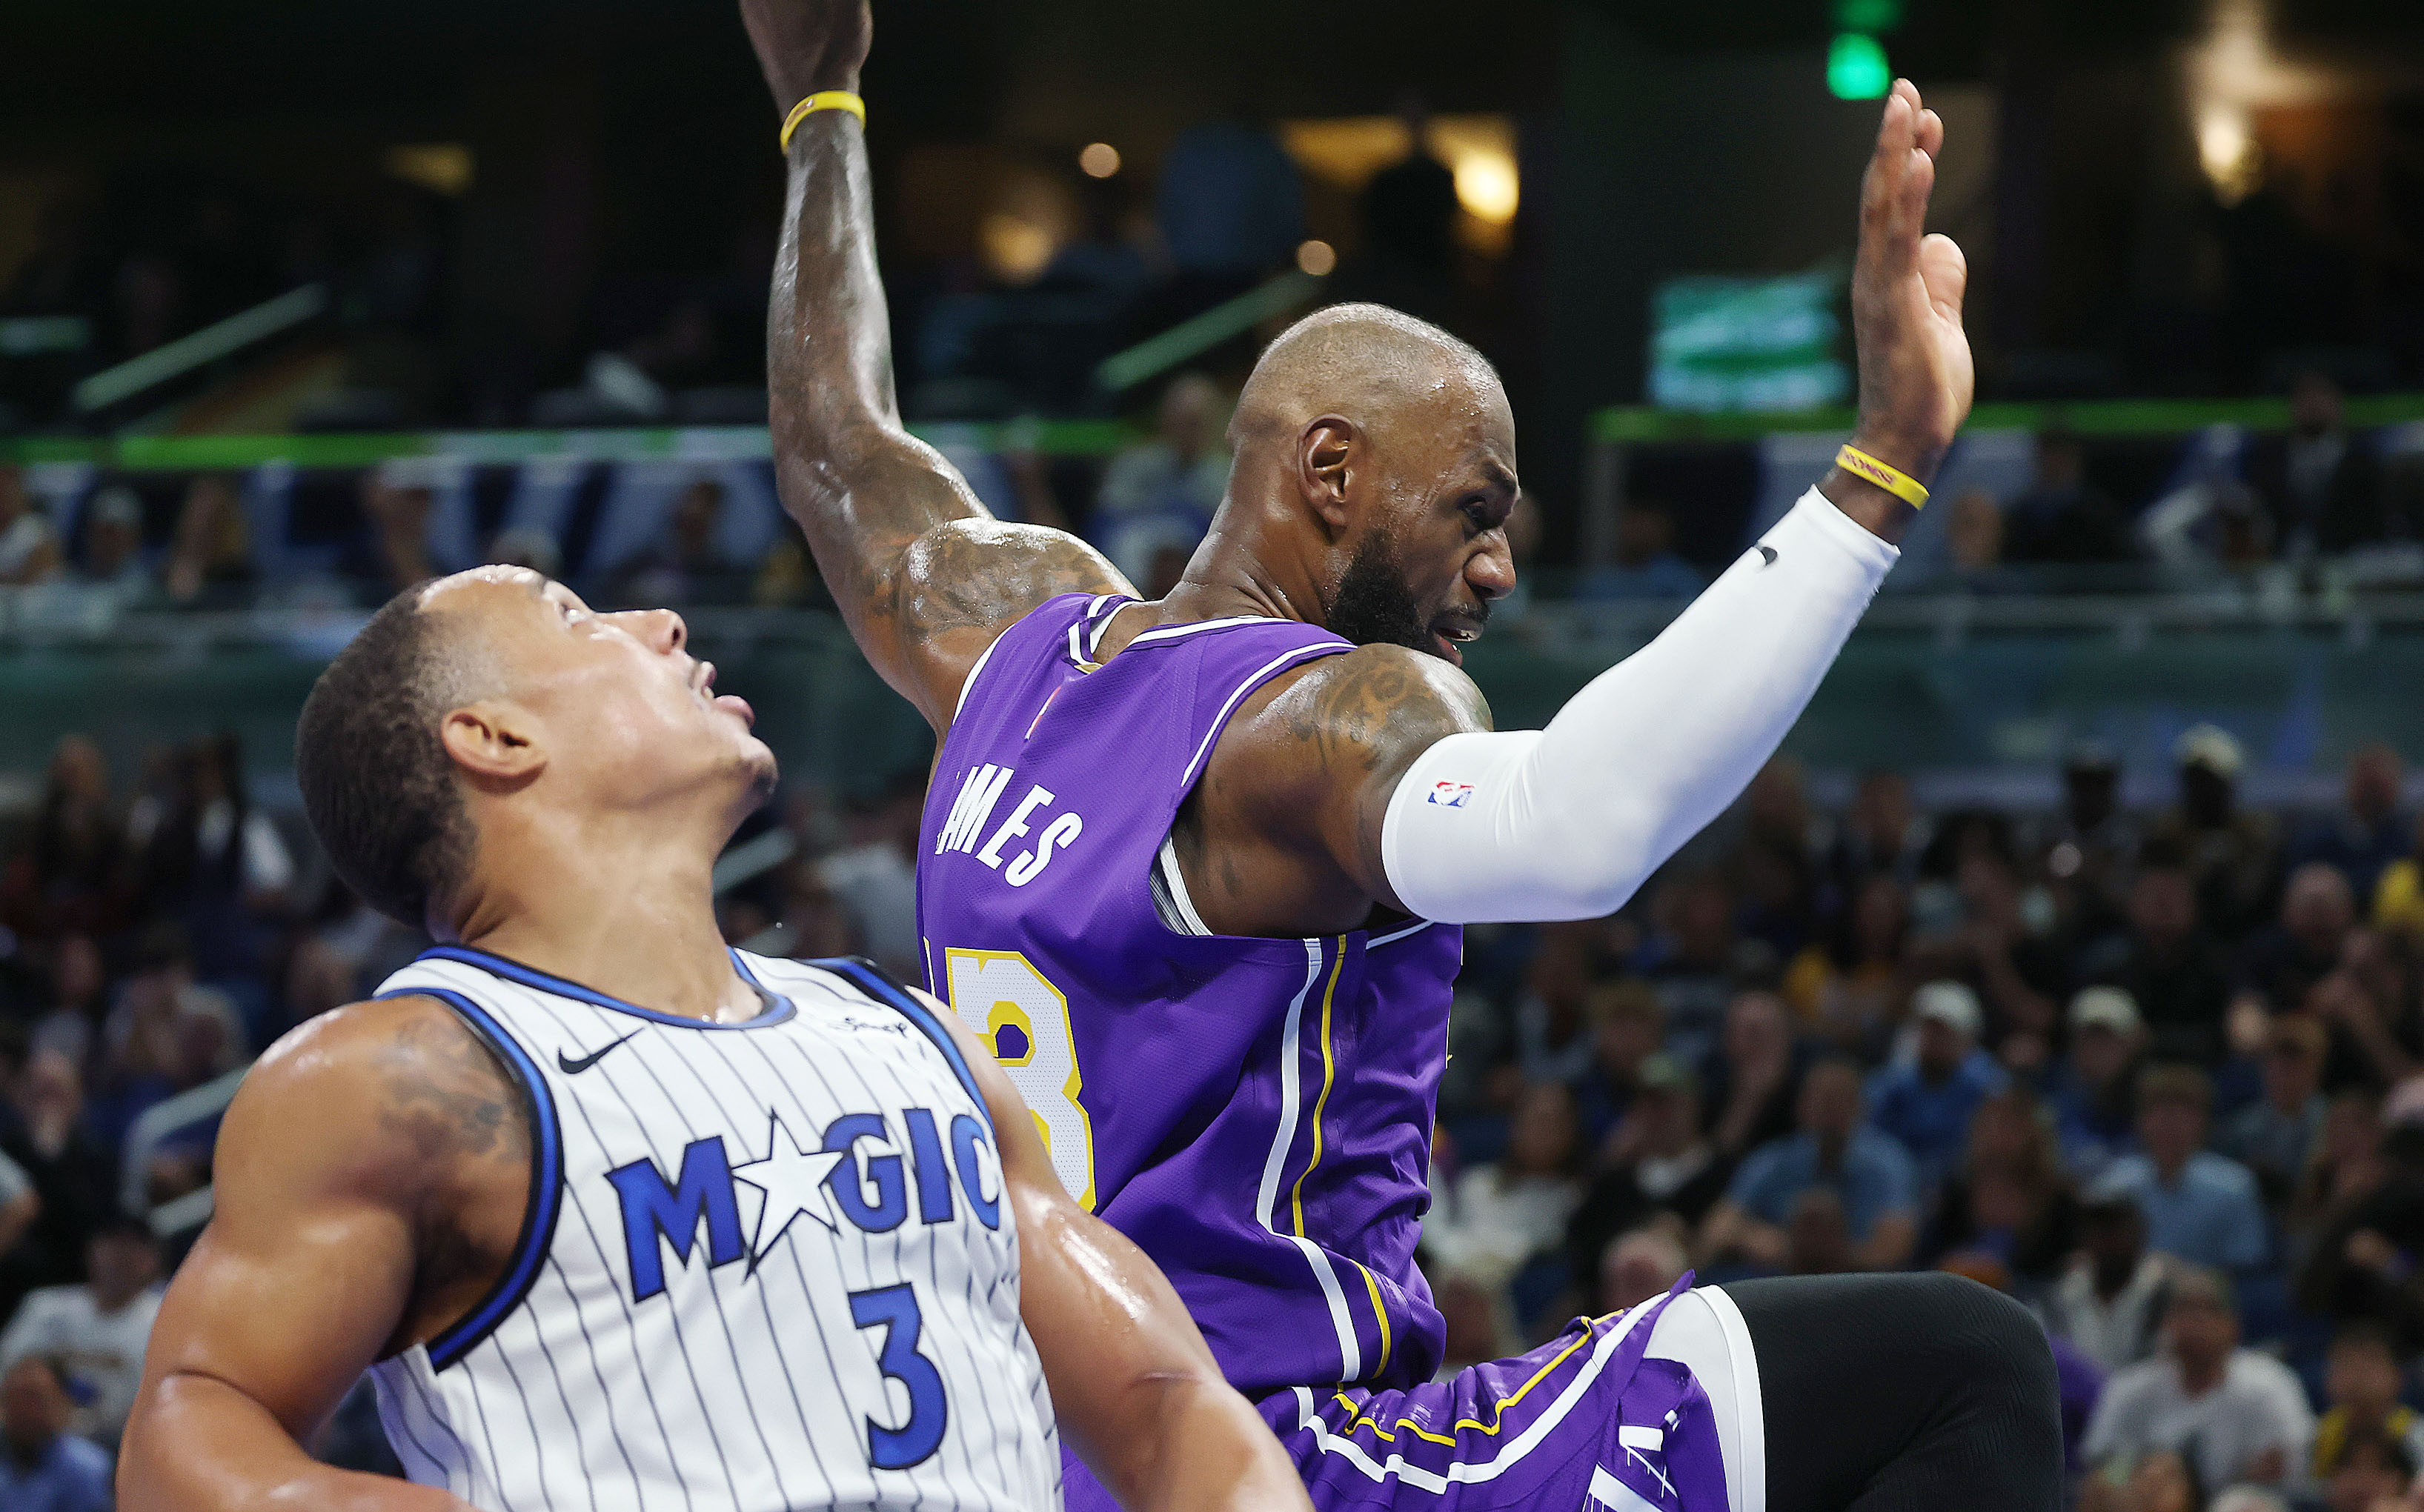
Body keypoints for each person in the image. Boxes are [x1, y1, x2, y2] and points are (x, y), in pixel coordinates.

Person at [749, 1, 2057, 1506]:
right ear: (1329, 472)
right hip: (1266, 1449)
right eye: (1475, 512)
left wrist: (820, 103)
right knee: (1965, 1368)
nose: (1498, 569)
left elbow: (834, 445)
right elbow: (1581, 826)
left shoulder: (1015, 646)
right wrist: (1883, 460)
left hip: (1033, 1447)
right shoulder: (1325, 720)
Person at [116, 568, 1307, 1511]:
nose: (661, 621)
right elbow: (190, 1426)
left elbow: (1165, 1408)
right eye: (578, 617)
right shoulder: (404, 1079)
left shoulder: (922, 1044)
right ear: (493, 738)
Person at [2081, 1268, 2313, 1498]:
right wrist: (2131, 1477)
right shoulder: (2130, 1389)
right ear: (2165, 1324)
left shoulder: (2270, 1386)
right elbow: (2104, 1466)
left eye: (2207, 1312)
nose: (2194, 1325)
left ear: (2233, 1325)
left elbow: (2290, 1470)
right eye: (2184, 1312)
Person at [1698, 1056, 1920, 1273]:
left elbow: (1897, 1244)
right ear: (1802, 1105)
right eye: (1820, 1098)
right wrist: (1759, 1239)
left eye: (1840, 1099)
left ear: (1861, 1106)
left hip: (1860, 1283)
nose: (1829, 1110)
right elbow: (1716, 1231)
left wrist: (1827, 1255)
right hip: (1780, 1279)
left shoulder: (1889, 1162)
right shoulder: (1773, 1160)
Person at [0, 1216, 162, 1448]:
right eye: (112, 1244)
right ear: (91, 1251)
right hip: (39, 1444)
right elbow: (7, 1373)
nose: (121, 1255)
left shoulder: (165, 1319)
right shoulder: (45, 1308)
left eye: (133, 1246)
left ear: (153, 1259)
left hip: (125, 1446)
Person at [2092, 1065, 2268, 1273]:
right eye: (2160, 1112)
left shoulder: (2234, 1186)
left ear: (2203, 1121)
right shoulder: (2112, 1186)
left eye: (2182, 1113)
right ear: (2140, 1121)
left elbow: (2247, 1265)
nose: (2170, 1124)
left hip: (2206, 1301)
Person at [1865, 979, 2008, 1188]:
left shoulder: (1988, 1085)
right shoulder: (1892, 1083)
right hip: (1901, 1183)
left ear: (1968, 1038)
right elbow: (1872, 1141)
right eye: (1929, 1029)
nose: (1934, 1039)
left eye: (1945, 1031)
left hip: (1962, 1185)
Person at [2042, 1195, 2178, 1376]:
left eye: (2116, 1231)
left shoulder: (2164, 1294)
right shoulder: (2061, 1295)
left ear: (2138, 1235)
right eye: (2099, 1232)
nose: (2108, 1243)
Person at [2311, 1322, 2424, 1481]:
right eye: (2345, 1364)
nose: (2357, 1376)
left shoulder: (2416, 1436)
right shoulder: (2317, 1436)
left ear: (2397, 1376)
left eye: (2369, 1363)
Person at [0, 1356, 110, 1512]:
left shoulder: (86, 1467)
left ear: (60, 1402)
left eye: (34, 1398)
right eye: (16, 1398)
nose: (25, 1409)